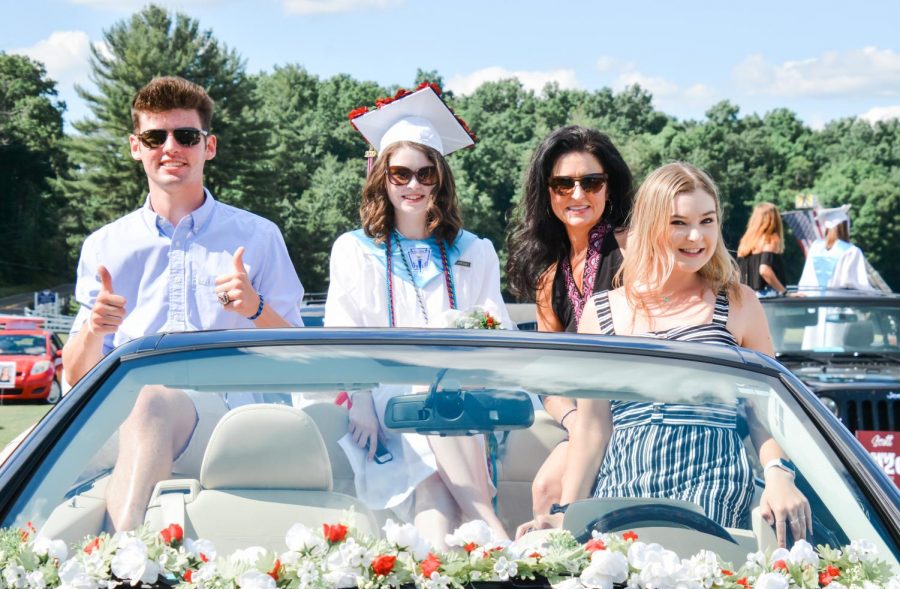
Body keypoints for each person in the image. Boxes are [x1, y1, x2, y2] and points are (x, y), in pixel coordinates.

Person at [519, 163, 810, 548]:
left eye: (707, 221)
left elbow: (765, 413)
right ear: (652, 225)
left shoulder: (740, 302)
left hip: (713, 490)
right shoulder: (602, 310)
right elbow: (592, 428)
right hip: (622, 490)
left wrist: (777, 474)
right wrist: (566, 514)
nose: (696, 236)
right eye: (678, 223)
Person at [62, 76, 304, 531]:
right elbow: (75, 376)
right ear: (137, 147)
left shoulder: (258, 236)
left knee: (151, 400)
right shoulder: (104, 246)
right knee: (17, 460)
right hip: (118, 422)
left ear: (208, 146)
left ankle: (125, 559)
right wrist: (95, 329)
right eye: (156, 136)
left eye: (186, 136)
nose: (170, 147)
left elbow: (299, 358)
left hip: (228, 428)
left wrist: (255, 309)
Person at [325, 83, 512, 546]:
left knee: (434, 487)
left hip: (460, 409)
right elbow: (343, 333)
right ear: (381, 177)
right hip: (386, 410)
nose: (413, 185)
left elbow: (498, 331)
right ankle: (491, 529)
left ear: (441, 179)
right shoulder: (354, 250)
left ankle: (438, 567)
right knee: (430, 466)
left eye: (426, 174)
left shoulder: (474, 252)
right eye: (401, 173)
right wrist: (362, 400)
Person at [505, 126, 633, 520]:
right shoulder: (549, 276)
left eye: (591, 182)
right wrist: (575, 422)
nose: (578, 195)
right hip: (585, 420)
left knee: (553, 490)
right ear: (547, 192)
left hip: (634, 415)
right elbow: (547, 377)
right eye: (563, 184)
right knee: (544, 487)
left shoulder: (633, 251)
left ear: (609, 188)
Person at [798, 209, 872, 291]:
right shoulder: (852, 251)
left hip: (814, 300)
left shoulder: (815, 247)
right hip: (838, 301)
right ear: (845, 227)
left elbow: (806, 280)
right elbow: (856, 284)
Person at [736, 202, 787, 296]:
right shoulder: (770, 239)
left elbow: (737, 273)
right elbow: (764, 270)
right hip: (766, 294)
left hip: (746, 296)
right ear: (775, 219)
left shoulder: (745, 242)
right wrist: (784, 291)